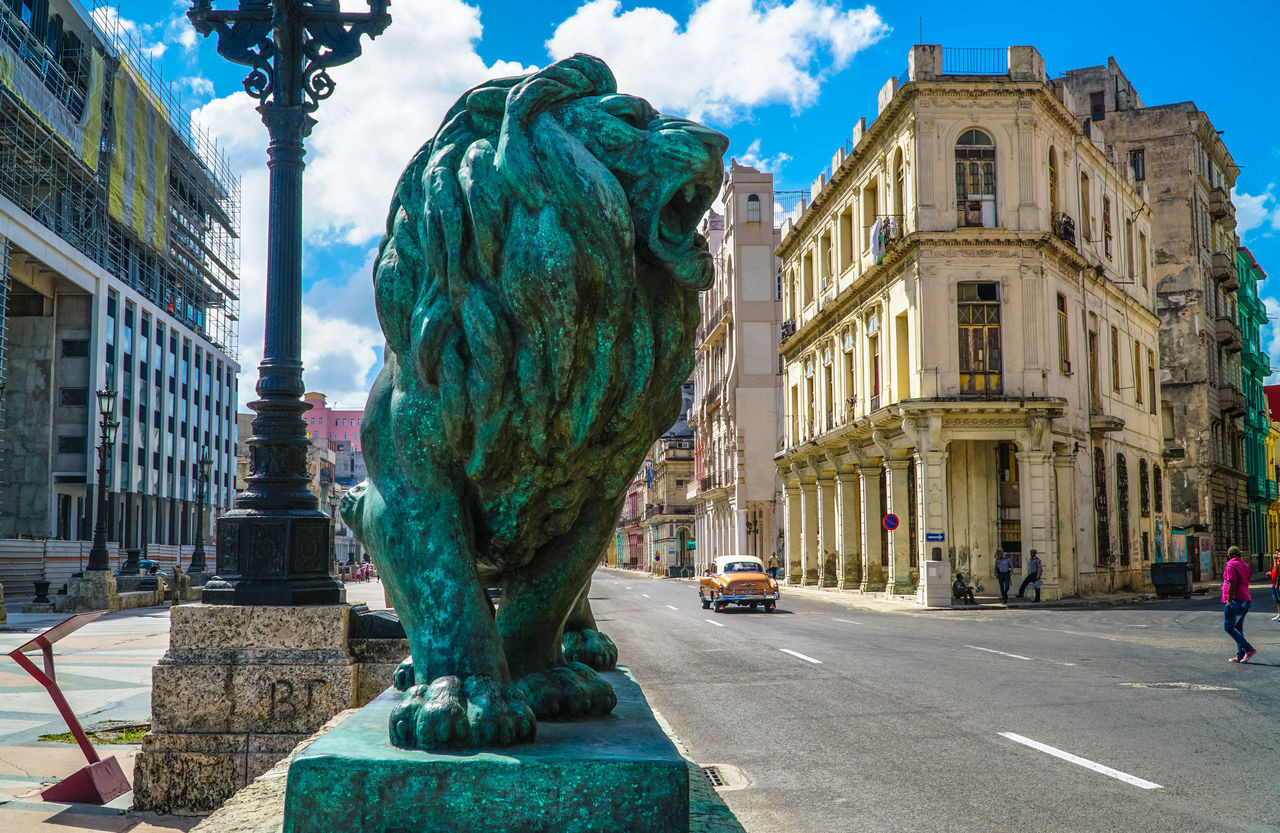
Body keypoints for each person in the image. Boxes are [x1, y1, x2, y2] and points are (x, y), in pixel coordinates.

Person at [1223, 546, 1256, 663]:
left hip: (1237, 600)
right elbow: (1248, 578)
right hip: (1246, 599)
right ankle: (1240, 655)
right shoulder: (1245, 565)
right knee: (1238, 627)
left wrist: (1229, 601)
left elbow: (1232, 583)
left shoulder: (1231, 566)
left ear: (1230, 555)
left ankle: (1248, 648)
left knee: (1228, 627)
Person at [1271, 551, 1280, 622]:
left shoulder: (1278, 562)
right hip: (1274, 583)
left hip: (1278, 583)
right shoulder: (1277, 561)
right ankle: (1279, 614)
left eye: (1278, 553)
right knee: (1277, 600)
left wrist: (1274, 560)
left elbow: (1277, 570)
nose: (1276, 555)